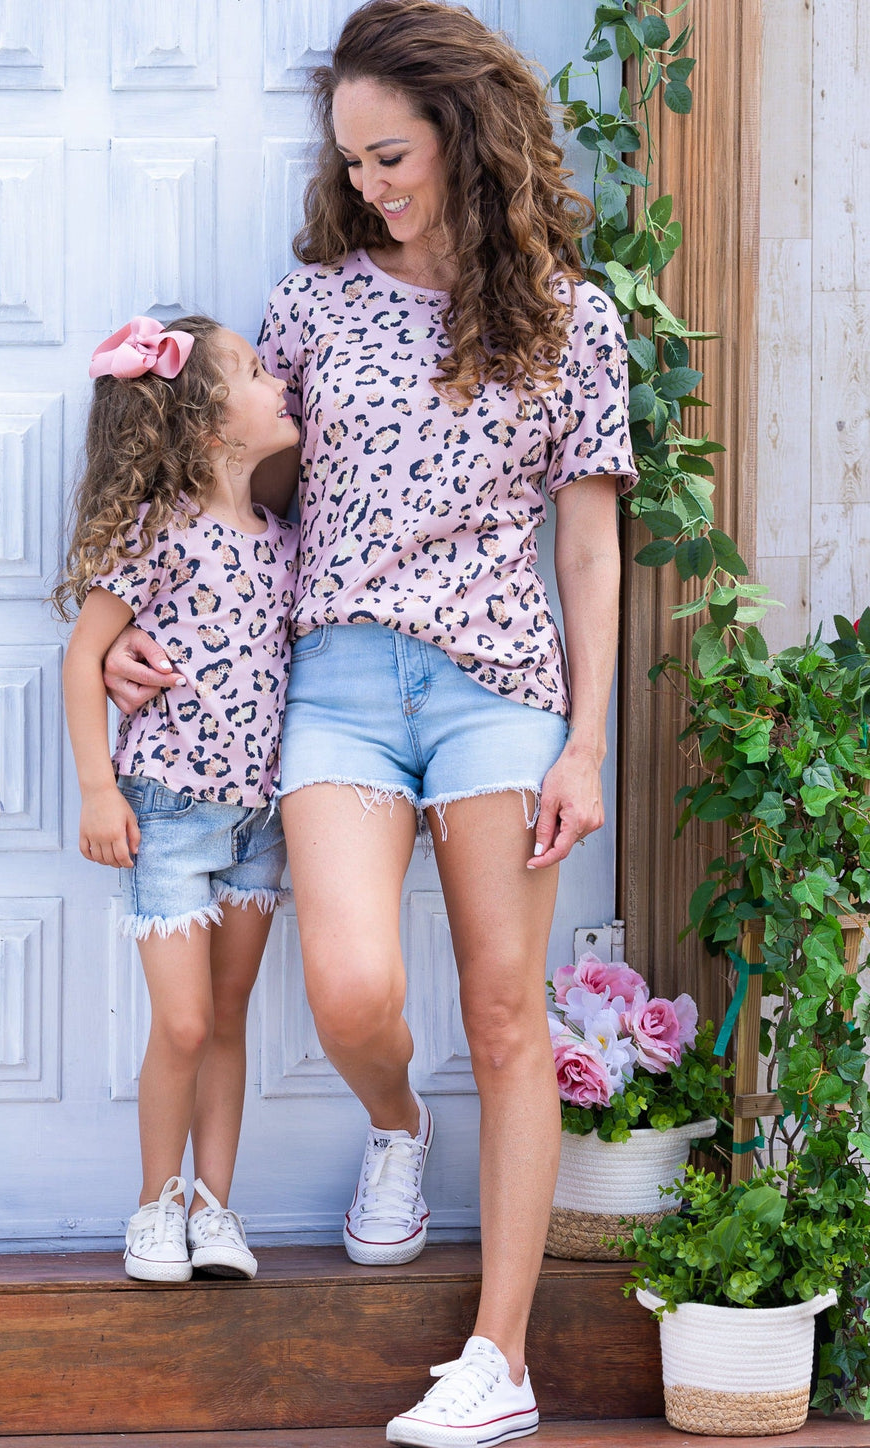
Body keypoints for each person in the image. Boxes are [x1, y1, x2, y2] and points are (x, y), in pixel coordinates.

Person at [104, 2, 635, 1442]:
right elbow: (231, 498)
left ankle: (501, 1360)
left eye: (389, 155)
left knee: (506, 1011)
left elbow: (590, 547)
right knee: (349, 991)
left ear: (463, 133)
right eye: (351, 161)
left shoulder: (575, 321)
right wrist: (129, 628)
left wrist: (586, 742)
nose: (369, 183)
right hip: (334, 683)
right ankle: (398, 1126)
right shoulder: (314, 306)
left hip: (499, 691)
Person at [56, 313, 299, 1285]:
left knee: (229, 1017)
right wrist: (97, 789)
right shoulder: (160, 531)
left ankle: (214, 1205)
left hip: (261, 823)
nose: (276, 381)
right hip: (167, 813)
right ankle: (157, 1200)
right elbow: (84, 655)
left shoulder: (286, 541)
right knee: (187, 1023)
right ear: (207, 424)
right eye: (254, 372)